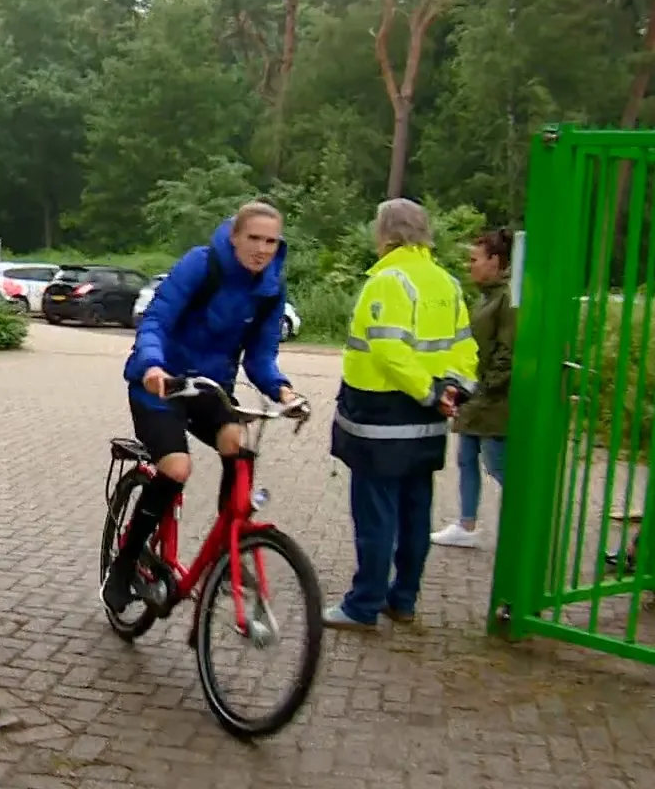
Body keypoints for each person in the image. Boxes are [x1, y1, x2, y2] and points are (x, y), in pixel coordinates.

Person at [101, 200, 305, 617]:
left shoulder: (270, 287)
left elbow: (261, 356)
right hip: (161, 387)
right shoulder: (202, 265)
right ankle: (123, 567)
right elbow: (157, 319)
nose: (262, 249)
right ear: (235, 237)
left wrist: (283, 392)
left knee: (237, 440)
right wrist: (153, 365)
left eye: (271, 241)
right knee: (176, 468)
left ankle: (229, 553)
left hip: (211, 391)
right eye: (254, 238)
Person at [325, 199, 479, 630]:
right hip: (428, 416)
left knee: (376, 515)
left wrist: (429, 393)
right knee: (415, 509)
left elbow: (390, 351)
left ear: (385, 233)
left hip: (383, 414)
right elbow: (465, 344)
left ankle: (363, 605)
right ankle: (403, 599)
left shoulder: (388, 280)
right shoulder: (446, 282)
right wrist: (456, 390)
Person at [433, 228, 514, 549]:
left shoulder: (506, 299)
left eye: (475, 260)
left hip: (490, 400)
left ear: (496, 260)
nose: (470, 266)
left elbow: (507, 352)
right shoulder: (489, 296)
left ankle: (526, 518)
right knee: (466, 458)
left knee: (496, 463)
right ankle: (466, 525)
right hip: (474, 393)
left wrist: (485, 387)